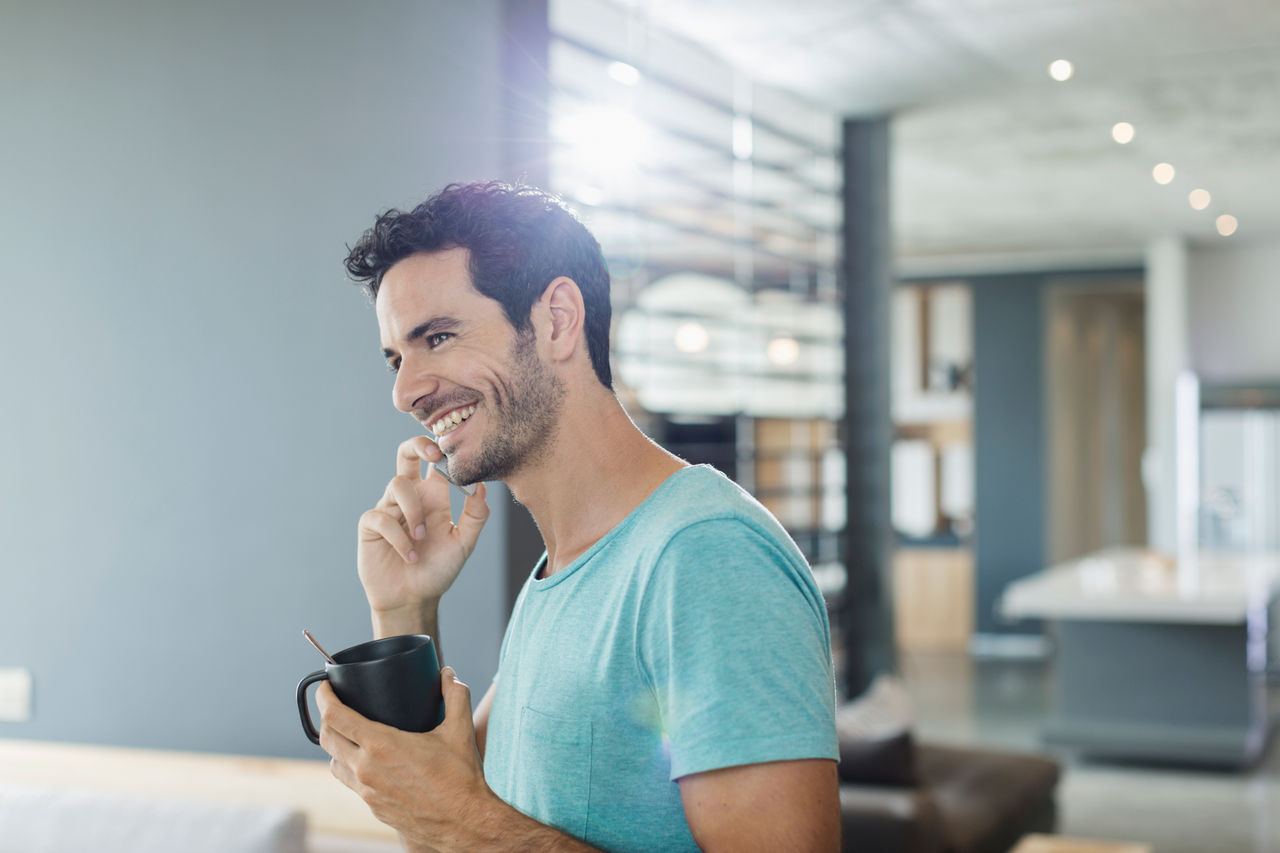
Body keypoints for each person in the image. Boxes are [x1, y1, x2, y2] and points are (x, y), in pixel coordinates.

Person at [315, 181, 840, 852]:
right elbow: (442, 824)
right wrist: (406, 613)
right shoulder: (559, 577)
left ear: (557, 318)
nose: (405, 391)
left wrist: (463, 820)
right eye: (396, 358)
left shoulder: (704, 555)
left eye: (438, 337)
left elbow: (464, 822)